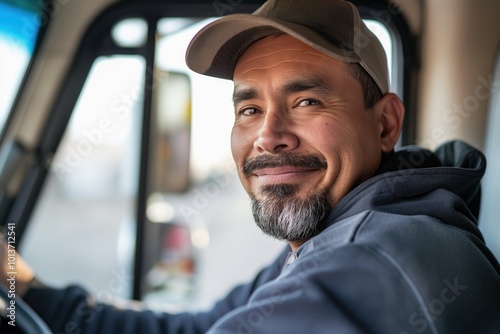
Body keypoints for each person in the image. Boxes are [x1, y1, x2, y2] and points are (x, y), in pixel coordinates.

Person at [2, 0, 500, 333]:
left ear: (386, 124)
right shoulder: (333, 231)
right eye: (249, 109)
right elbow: (198, 328)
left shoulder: (370, 258)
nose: (268, 135)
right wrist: (24, 287)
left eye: (305, 101)